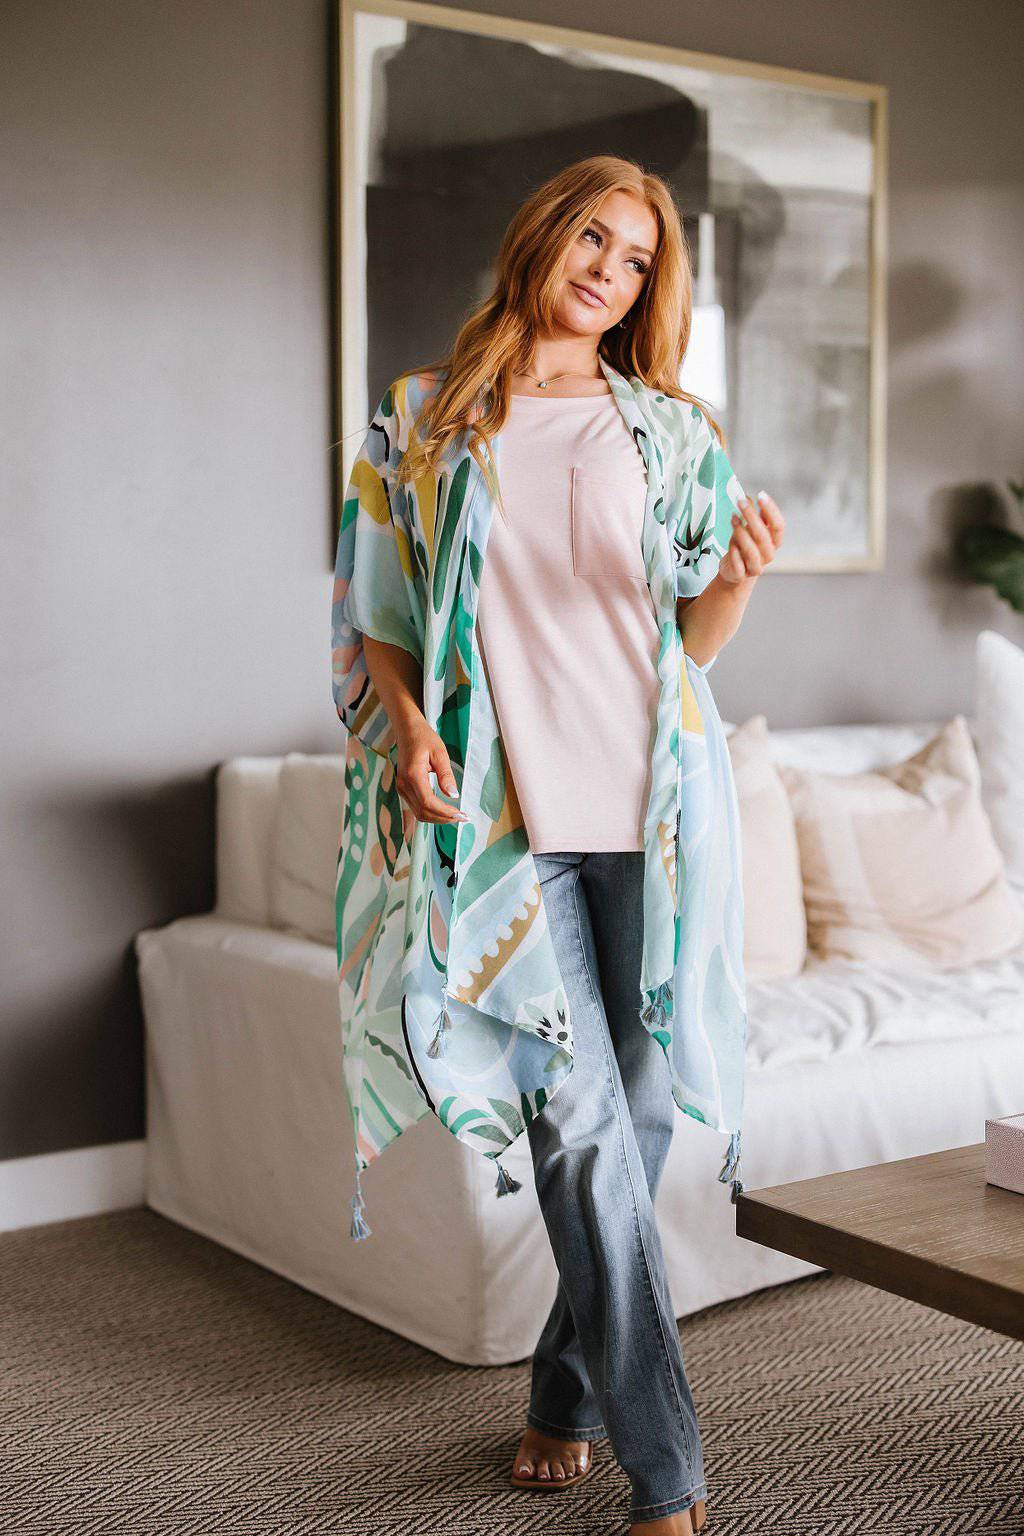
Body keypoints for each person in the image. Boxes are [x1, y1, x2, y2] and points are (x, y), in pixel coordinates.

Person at [332, 154, 784, 1536]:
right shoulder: (419, 419)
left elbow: (690, 645)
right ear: (543, 235)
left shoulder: (671, 432)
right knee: (582, 1135)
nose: (609, 271)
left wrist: (736, 581)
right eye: (594, 238)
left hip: (652, 817)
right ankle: (671, 1475)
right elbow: (376, 617)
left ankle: (562, 1397)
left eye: (637, 260)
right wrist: (409, 726)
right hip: (502, 830)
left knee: (634, 1126)